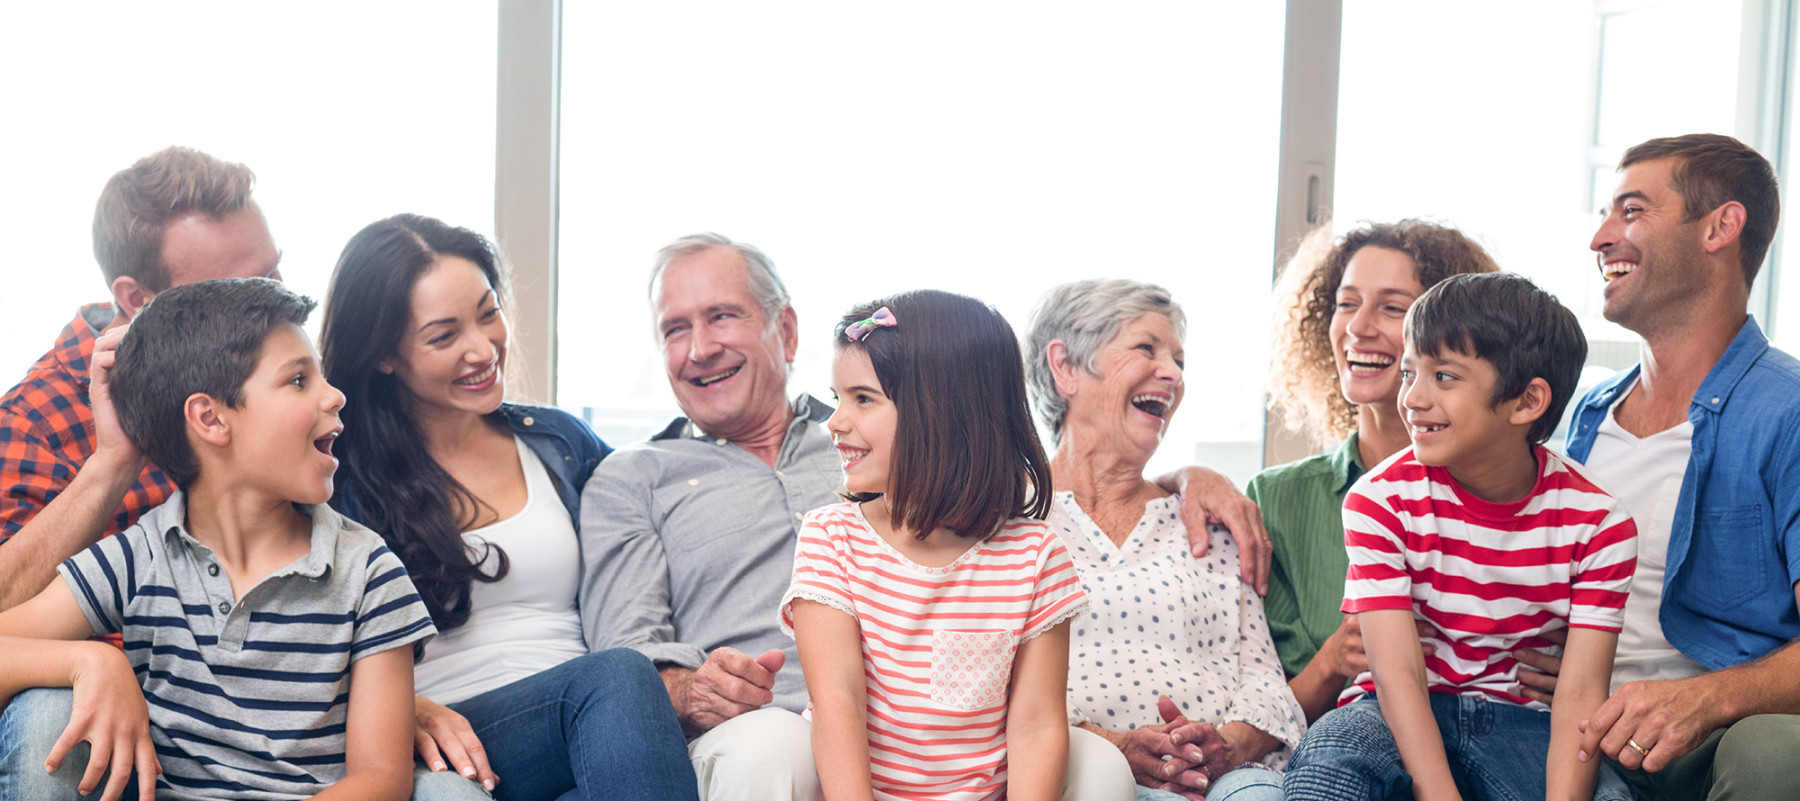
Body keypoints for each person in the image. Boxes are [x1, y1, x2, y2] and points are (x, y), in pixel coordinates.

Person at [580, 233, 1258, 800]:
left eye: (720, 316)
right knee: (771, 749)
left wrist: (1184, 475)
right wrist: (689, 688)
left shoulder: (908, 472)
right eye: (675, 328)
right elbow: (626, 669)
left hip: (973, 753)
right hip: (792, 736)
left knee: (1097, 765)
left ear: (784, 329)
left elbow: (1036, 714)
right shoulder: (640, 476)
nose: (698, 346)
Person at [0, 278, 435, 801]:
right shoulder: (140, 558)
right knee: (45, 706)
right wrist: (89, 660)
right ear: (209, 418)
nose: (334, 395)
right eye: (298, 380)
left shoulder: (368, 570)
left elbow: (381, 779)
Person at [321, 214, 699, 801]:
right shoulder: (336, 478)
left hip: (594, 730)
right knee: (619, 674)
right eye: (444, 336)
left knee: (618, 697)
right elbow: (294, 641)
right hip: (450, 740)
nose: (482, 348)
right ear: (383, 355)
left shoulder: (557, 442)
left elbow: (651, 529)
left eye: (488, 312)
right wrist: (400, 708)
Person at [1282, 273, 1638, 801]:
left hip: (1523, 722)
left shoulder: (1600, 522)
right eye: (1410, 372)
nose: (1412, 399)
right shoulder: (1377, 501)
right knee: (1328, 769)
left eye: (1443, 377)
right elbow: (1397, 674)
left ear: (1526, 402)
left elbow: (1580, 696)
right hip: (1390, 712)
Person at [1557, 133, 1800, 800]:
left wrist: (1707, 698)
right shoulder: (1583, 416)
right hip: (1577, 727)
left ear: (1721, 226)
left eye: (1631, 211)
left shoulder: (1789, 412)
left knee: (1775, 753)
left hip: (1715, 743)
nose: (1601, 237)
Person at [782, 290, 1095, 801]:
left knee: (1102, 771)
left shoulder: (1034, 556)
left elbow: (1037, 727)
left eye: (863, 399)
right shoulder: (831, 538)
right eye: (838, 397)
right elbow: (837, 704)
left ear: (942, 415)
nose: (835, 422)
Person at [1024, 279, 1304, 801]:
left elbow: (1266, 682)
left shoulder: (1207, 518)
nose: (1173, 374)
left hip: (1224, 776)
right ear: (1065, 367)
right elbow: (985, 676)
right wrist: (1112, 745)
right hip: (1079, 769)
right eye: (1145, 348)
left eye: (1179, 359)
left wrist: (1224, 745)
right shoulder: (1006, 518)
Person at [0, 146, 281, 611]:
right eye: (241, 291)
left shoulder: (268, 370)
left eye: (274, 274)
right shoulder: (32, 421)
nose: (278, 305)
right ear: (137, 298)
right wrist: (112, 464)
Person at [1250, 221, 1499, 721]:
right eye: (1346, 303)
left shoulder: (1512, 492)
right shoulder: (1276, 500)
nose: (1359, 327)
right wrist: (1334, 661)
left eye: (1392, 307)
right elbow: (1260, 709)